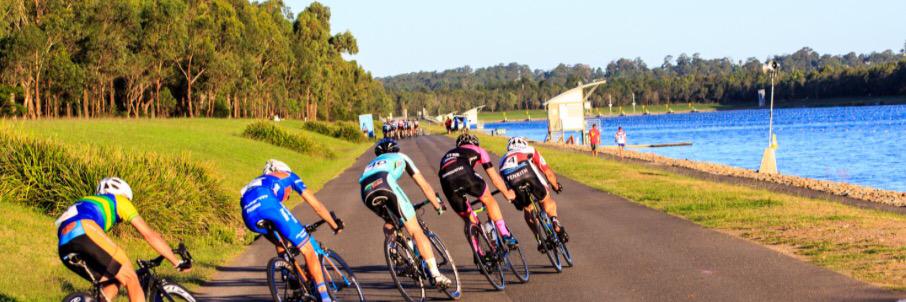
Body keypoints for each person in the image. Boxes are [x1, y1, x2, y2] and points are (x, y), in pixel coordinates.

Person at [55, 177, 190, 302]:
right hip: (85, 230)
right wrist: (176, 261)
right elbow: (149, 235)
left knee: (113, 282)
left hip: (64, 244)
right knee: (131, 278)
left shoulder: (86, 201)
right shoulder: (118, 200)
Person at [240, 160, 343, 302]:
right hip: (268, 205)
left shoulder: (258, 181)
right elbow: (316, 206)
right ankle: (325, 298)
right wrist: (334, 224)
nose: (288, 196)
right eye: (289, 193)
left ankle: (290, 278)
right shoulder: (288, 176)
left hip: (248, 215)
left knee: (282, 242)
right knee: (308, 249)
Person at [359, 138, 453, 288]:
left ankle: (395, 250)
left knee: (390, 223)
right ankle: (436, 275)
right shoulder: (401, 157)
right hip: (385, 184)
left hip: (365, 192)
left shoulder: (370, 164)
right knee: (416, 230)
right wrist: (437, 205)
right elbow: (423, 184)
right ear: (395, 150)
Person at [437, 133, 519, 248]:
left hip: (446, 181)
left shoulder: (447, 155)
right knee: (488, 199)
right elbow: (495, 179)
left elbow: (447, 173)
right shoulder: (478, 150)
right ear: (474, 143)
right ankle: (506, 234)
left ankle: (478, 253)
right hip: (464, 173)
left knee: (468, 219)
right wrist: (507, 193)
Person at [498, 137, 568, 252]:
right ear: (524, 143)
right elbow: (547, 171)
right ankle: (555, 222)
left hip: (510, 176)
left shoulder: (502, 160)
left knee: (527, 208)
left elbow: (506, 183)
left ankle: (539, 239)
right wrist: (556, 186)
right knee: (546, 199)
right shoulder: (529, 149)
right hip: (527, 172)